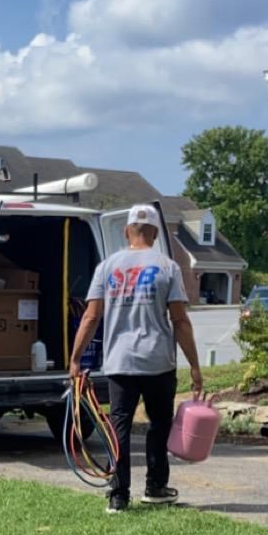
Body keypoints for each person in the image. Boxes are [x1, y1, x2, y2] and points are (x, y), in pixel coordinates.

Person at [70, 203, 203, 513]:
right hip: (158, 361)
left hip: (120, 362)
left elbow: (90, 317)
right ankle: (155, 487)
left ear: (126, 231)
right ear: (155, 234)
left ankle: (118, 495)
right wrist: (195, 365)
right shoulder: (168, 267)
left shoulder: (107, 267)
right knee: (159, 424)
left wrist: (76, 359)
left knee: (120, 427)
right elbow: (180, 321)